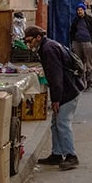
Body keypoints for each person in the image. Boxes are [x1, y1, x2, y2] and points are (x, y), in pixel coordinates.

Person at [25, 26, 81, 170]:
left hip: (67, 91)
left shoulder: (48, 50)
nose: (28, 45)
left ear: (38, 37)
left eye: (30, 41)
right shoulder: (49, 45)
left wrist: (56, 99)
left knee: (62, 123)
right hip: (67, 89)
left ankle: (71, 156)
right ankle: (57, 154)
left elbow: (56, 77)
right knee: (56, 124)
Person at [69, 3, 92, 88]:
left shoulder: (90, 20)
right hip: (77, 43)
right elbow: (72, 31)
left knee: (89, 64)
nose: (79, 12)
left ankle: (90, 81)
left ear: (84, 10)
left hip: (87, 42)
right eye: (78, 10)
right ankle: (81, 82)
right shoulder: (75, 21)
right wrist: (73, 41)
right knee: (79, 63)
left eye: (81, 10)